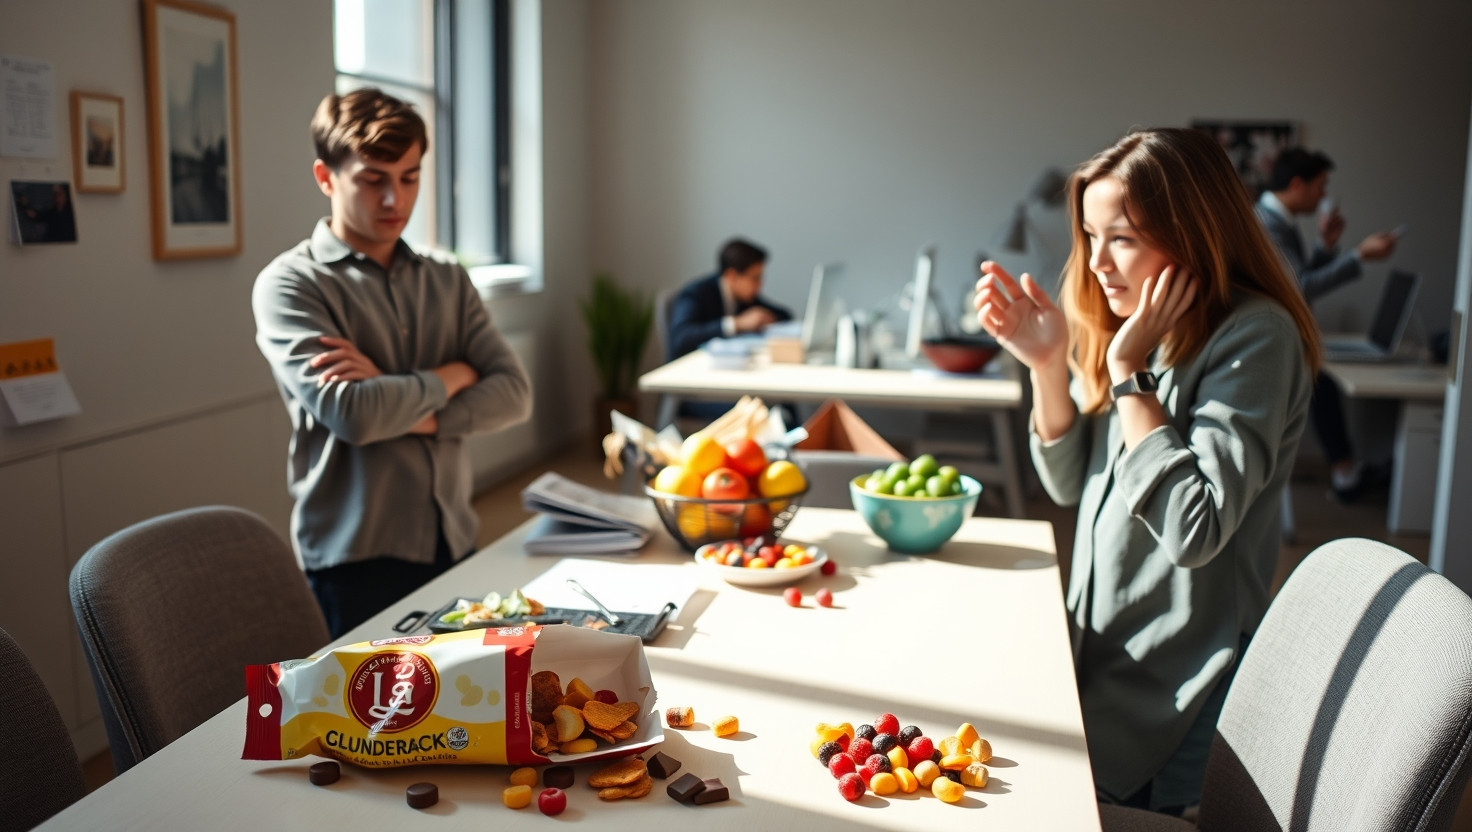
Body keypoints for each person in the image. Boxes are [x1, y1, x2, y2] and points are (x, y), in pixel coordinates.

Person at [974, 128, 1321, 815]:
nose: (1099, 263)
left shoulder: (1255, 336)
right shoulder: (1133, 326)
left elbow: (1195, 529)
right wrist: (1048, 364)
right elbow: (1071, 487)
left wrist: (1130, 379)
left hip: (1178, 686)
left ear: (1194, 232)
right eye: (1090, 236)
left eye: (1123, 238)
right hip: (1101, 656)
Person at [252, 88, 532, 637]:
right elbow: (355, 415)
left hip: (451, 533)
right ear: (326, 177)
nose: (394, 200)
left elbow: (514, 393)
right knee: (377, 721)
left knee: (462, 707)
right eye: (373, 179)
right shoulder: (290, 283)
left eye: (409, 177)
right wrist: (453, 375)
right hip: (354, 555)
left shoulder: (448, 278)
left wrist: (398, 397)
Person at [1256, 148, 1399, 500]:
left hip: (1280, 338)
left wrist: (1325, 246)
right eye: (1320, 186)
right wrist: (1359, 257)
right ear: (1297, 184)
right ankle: (1346, 474)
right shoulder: (1266, 224)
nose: (1323, 195)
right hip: (1268, 343)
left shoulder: (1278, 221)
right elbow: (1299, 287)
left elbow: (1297, 277)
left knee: (1325, 383)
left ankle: (1345, 471)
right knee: (1323, 384)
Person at [666, 237, 792, 361]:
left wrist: (767, 318)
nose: (759, 286)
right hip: (689, 371)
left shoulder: (745, 298)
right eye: (755, 278)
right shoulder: (696, 293)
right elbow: (681, 337)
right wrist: (736, 324)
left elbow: (785, 315)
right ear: (732, 276)